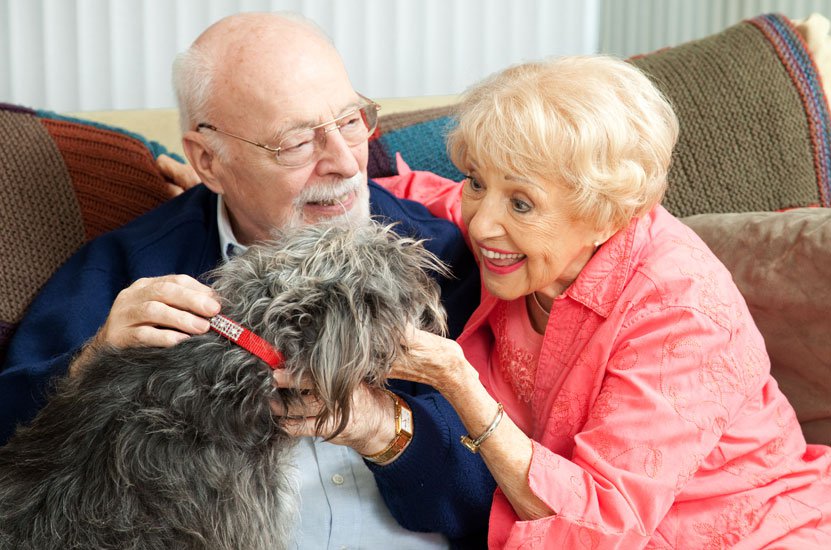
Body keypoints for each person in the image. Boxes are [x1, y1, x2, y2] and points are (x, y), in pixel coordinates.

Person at [0, 12, 493, 548]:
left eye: (351, 120)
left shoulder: (442, 258)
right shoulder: (127, 269)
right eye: (297, 142)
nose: (346, 163)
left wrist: (380, 427)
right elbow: (15, 448)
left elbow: (495, 497)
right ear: (208, 160)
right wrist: (89, 364)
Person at [379, 55, 831, 548]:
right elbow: (430, 195)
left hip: (748, 534)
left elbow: (600, 526)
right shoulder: (518, 236)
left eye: (521, 203)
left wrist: (458, 382)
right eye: (479, 182)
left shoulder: (681, 313)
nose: (482, 223)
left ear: (605, 216)